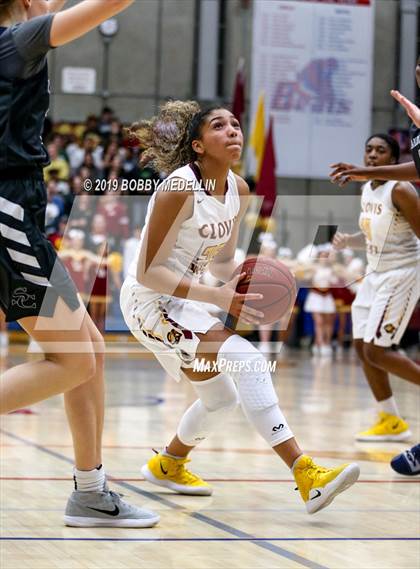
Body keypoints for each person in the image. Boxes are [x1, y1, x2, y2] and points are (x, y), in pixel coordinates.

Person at [120, 100, 360, 514]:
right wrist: (216, 296)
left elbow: (222, 263)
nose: (233, 130)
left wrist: (266, 276)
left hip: (188, 299)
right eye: (219, 126)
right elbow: (147, 272)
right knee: (249, 361)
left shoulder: (240, 189)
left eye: (235, 124)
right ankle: (306, 473)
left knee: (221, 399)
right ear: (198, 146)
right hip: (151, 302)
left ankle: (168, 464)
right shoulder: (179, 188)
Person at [0, 0, 159, 527]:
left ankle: (90, 492)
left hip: (20, 221)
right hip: (7, 222)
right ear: (26, 4)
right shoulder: (18, 39)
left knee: (88, 349)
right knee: (74, 361)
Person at [331, 133, 420, 471]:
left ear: (395, 158)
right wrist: (348, 242)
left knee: (377, 352)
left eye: (381, 150)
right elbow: (374, 237)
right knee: (359, 345)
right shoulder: (366, 188)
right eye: (368, 149)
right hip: (374, 273)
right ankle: (391, 420)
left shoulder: (401, 189)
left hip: (401, 274)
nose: (372, 155)